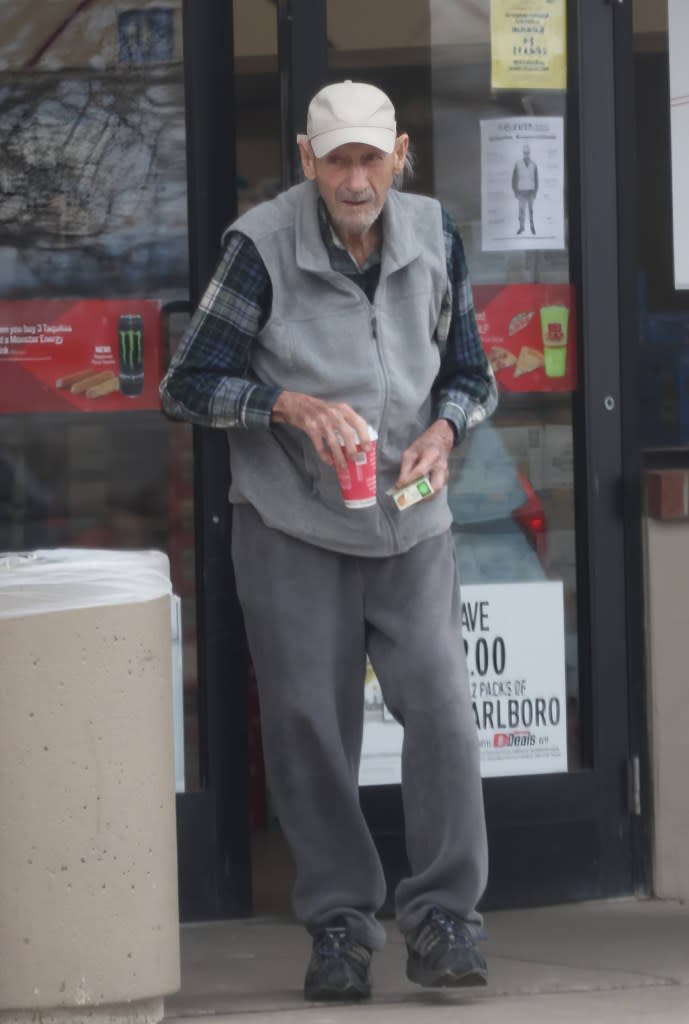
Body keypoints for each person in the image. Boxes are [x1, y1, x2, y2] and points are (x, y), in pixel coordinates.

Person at [160, 79, 498, 1002]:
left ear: (399, 154)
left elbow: (471, 373)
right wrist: (286, 404)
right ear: (308, 163)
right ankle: (342, 927)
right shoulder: (261, 246)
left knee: (440, 709)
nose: (357, 179)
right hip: (296, 527)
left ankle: (443, 921)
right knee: (310, 725)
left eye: (371, 158)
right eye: (337, 160)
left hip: (413, 519)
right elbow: (186, 384)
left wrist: (447, 429)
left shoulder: (434, 234)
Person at [512, 143, 539, 235]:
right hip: (521, 192)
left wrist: (535, 192)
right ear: (523, 153)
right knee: (521, 211)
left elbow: (536, 179)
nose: (526, 154)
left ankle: (532, 227)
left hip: (531, 191)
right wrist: (515, 191)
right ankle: (521, 227)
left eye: (527, 153)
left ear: (529, 153)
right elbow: (514, 178)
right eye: (525, 153)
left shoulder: (534, 165)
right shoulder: (518, 164)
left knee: (531, 211)